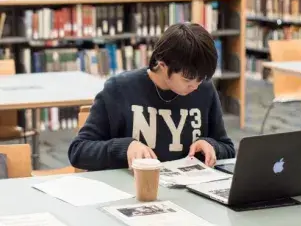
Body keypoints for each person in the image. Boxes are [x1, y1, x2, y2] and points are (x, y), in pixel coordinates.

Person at [68, 22, 235, 171]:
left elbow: (227, 148)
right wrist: (125, 148)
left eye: (202, 79)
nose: (195, 86)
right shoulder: (119, 90)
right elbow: (79, 151)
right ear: (162, 65)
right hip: (131, 192)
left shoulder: (204, 90)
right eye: (187, 79)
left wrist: (211, 146)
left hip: (187, 195)